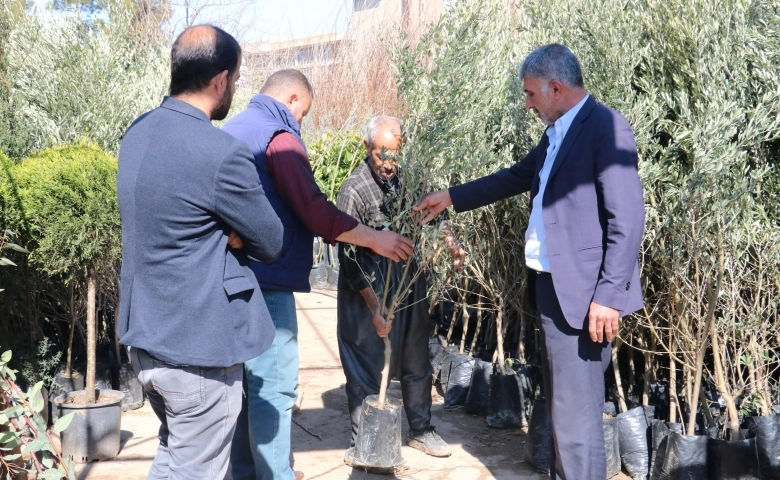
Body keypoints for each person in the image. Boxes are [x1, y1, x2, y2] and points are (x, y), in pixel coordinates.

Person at [413, 44, 645, 479]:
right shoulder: (558, 132)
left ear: (555, 88)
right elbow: (518, 176)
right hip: (551, 288)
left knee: (577, 422)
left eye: (531, 94)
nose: (527, 104)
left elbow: (628, 218)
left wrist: (610, 296)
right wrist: (450, 198)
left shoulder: (604, 127)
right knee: (562, 410)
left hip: (585, 298)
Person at [222, 70, 415, 480]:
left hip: (228, 283)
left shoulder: (231, 129)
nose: (301, 122)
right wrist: (374, 239)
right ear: (292, 99)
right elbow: (314, 209)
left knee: (242, 388)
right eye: (303, 113)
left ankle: (244, 473)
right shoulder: (281, 138)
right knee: (273, 391)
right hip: (267, 284)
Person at [116, 25, 284, 480]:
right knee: (195, 470)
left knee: (175, 460)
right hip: (197, 350)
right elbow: (270, 241)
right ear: (220, 80)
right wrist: (230, 232)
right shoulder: (220, 153)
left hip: (146, 339)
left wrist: (220, 230)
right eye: (236, 79)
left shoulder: (136, 133)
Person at [336, 116, 465, 466]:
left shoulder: (408, 178)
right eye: (382, 156)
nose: (390, 164)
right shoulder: (354, 190)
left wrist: (452, 245)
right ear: (367, 149)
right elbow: (347, 257)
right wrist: (375, 307)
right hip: (364, 288)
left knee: (415, 358)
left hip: (408, 281)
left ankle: (420, 429)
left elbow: (435, 214)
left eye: (396, 154)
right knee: (364, 366)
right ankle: (362, 440)